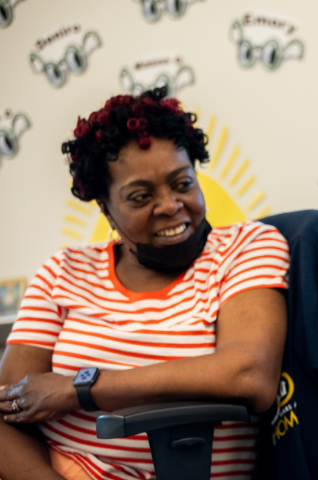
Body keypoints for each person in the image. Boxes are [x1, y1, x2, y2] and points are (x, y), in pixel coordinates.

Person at [0, 87, 290, 480]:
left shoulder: (245, 248)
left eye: (182, 184)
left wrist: (79, 388)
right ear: (106, 209)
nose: (170, 205)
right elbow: (7, 407)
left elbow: (248, 375)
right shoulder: (63, 271)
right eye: (140, 197)